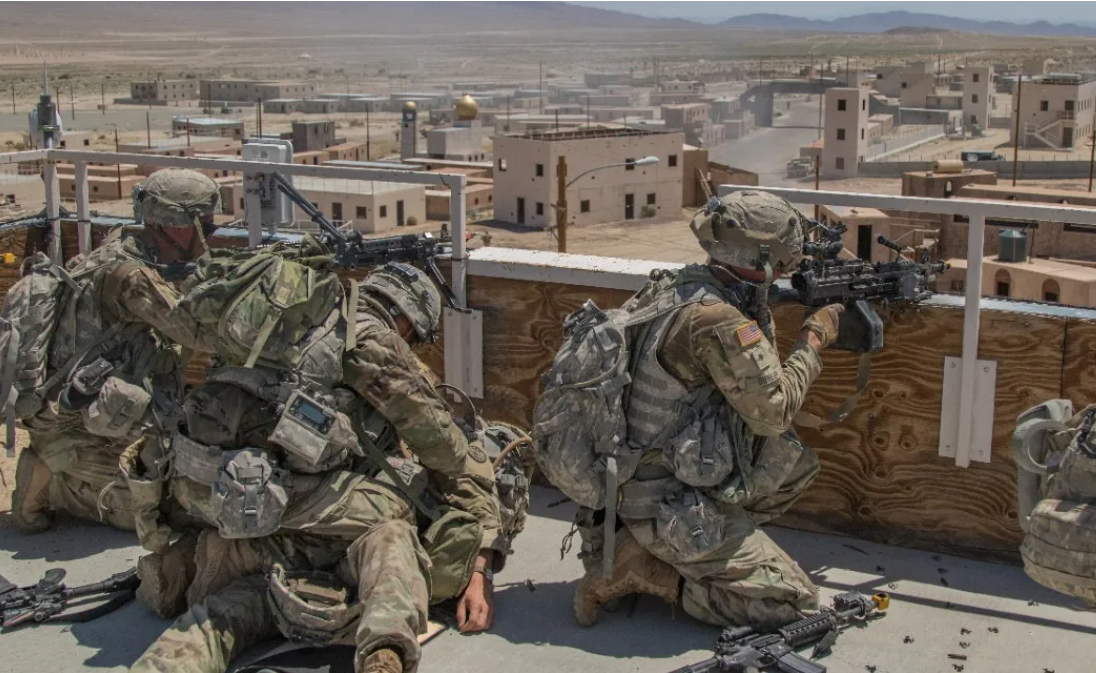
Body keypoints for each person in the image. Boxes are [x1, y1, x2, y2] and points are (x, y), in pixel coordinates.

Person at [129, 262, 507, 673]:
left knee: (220, 618)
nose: (410, 346)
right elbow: (444, 448)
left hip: (215, 492)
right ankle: (385, 653)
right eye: (413, 337)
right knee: (396, 512)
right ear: (404, 319)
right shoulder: (367, 337)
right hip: (281, 498)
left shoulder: (290, 321)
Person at [566, 190, 845, 629]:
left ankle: (667, 547)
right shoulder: (716, 319)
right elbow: (772, 413)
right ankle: (651, 571)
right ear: (763, 256)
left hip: (632, 480)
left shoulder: (678, 285)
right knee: (795, 605)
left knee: (792, 466)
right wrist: (814, 338)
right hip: (663, 499)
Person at [12, 168, 222, 533]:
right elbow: (197, 333)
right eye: (207, 225)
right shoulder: (132, 278)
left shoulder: (121, 246)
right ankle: (53, 476)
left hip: (88, 404)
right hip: (77, 420)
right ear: (177, 225)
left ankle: (63, 462)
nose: (211, 234)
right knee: (161, 511)